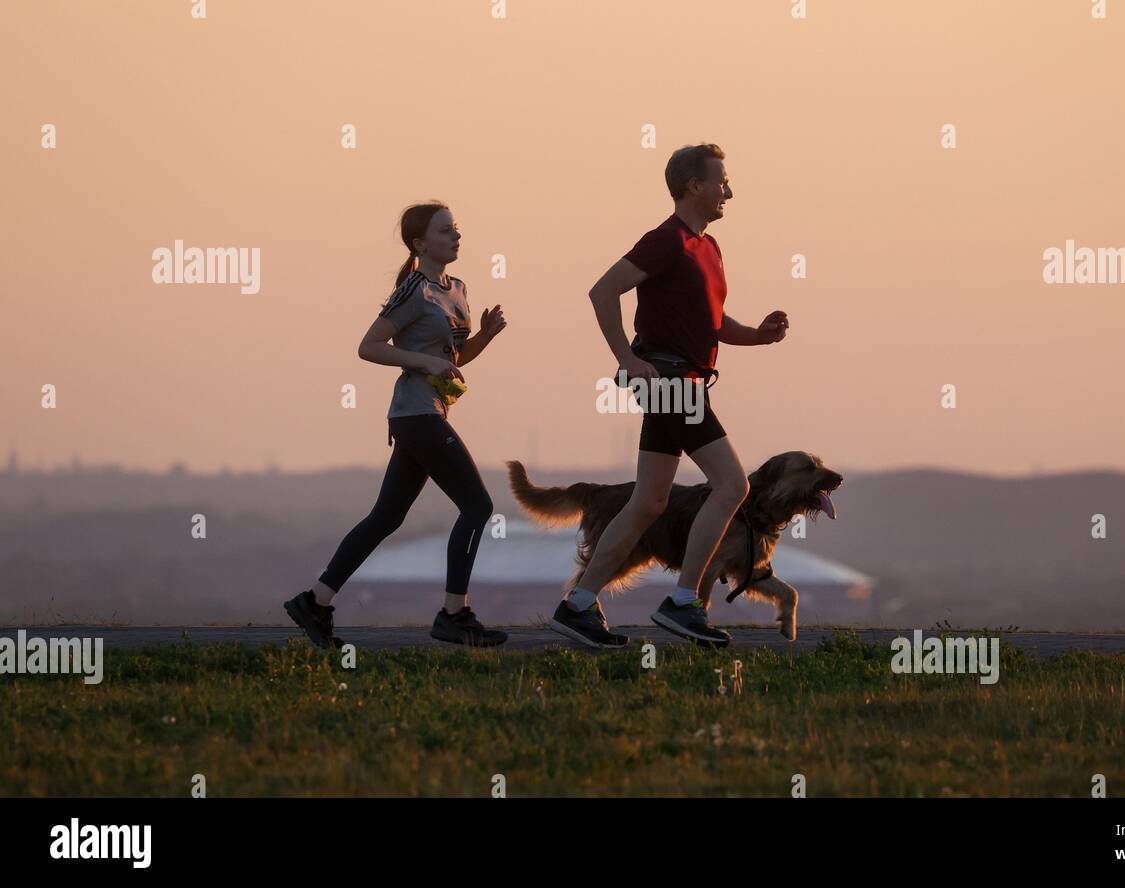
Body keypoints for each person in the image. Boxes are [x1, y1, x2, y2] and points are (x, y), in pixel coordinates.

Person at [549, 144, 790, 649]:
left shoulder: (709, 247)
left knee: (648, 502)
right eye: (722, 180)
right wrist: (625, 360)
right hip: (670, 381)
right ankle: (683, 604)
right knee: (732, 486)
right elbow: (602, 291)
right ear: (693, 186)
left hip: (683, 380)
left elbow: (715, 323)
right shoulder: (667, 241)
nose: (730, 190)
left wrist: (761, 336)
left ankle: (576, 606)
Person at [284, 201, 509, 648]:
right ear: (420, 243)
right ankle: (454, 614)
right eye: (446, 231)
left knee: (385, 517)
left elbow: (454, 360)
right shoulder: (414, 291)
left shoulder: (458, 288)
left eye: (457, 229)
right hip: (415, 413)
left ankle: (316, 601)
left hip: (431, 414)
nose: (456, 236)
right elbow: (369, 346)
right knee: (478, 506)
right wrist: (423, 360)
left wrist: (485, 336)